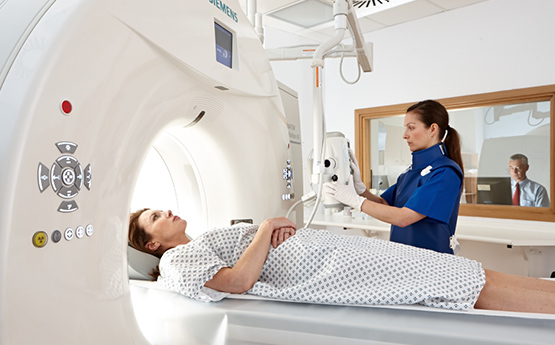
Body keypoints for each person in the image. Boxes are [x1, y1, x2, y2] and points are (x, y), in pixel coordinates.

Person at [129, 208, 555, 314]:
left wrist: (269, 234)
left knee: (467, 271)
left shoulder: (198, 240)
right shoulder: (176, 262)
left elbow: (248, 259)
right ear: (151, 245)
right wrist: (264, 229)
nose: (164, 211)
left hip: (339, 254)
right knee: (458, 283)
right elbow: (239, 281)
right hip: (335, 271)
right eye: (154, 217)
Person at [324, 100, 464, 254]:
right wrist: (360, 189)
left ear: (432, 129)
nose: (405, 135)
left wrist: (355, 201)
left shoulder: (445, 172)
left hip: (430, 262)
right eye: (405, 128)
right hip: (402, 258)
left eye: (411, 128)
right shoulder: (411, 172)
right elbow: (385, 203)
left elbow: (403, 218)